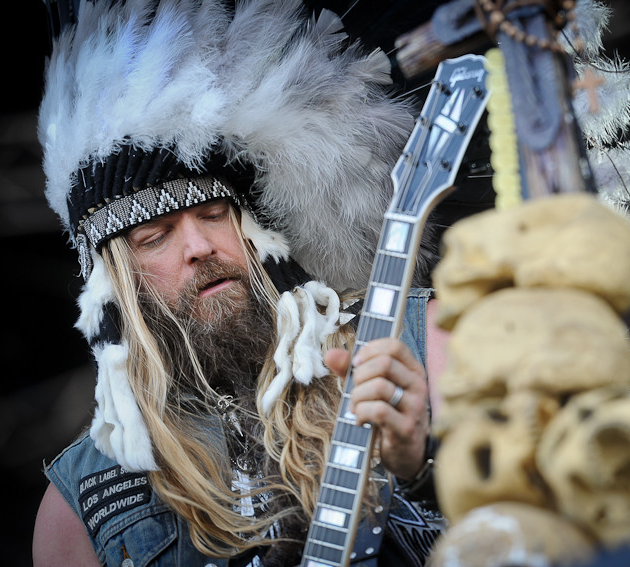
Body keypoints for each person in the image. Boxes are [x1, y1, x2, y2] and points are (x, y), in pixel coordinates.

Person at [31, 0, 449, 565]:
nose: (199, 246)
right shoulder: (79, 505)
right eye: (155, 237)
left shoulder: (411, 341)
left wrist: (423, 467)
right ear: (116, 285)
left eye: (212, 215)